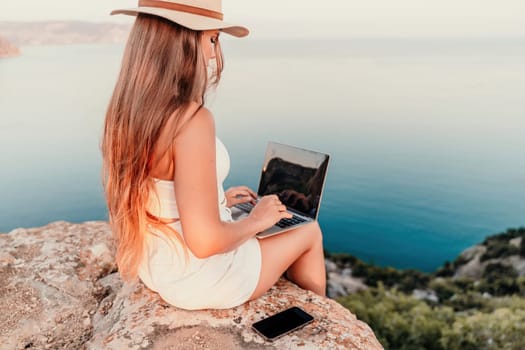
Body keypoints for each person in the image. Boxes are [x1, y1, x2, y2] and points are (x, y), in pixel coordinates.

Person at [102, 0, 326, 310]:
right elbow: (205, 241)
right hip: (201, 278)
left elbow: (162, 191)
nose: (212, 53)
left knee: (258, 218)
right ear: (184, 41)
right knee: (309, 230)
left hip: (159, 266)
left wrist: (218, 201)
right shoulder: (192, 120)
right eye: (212, 39)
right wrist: (256, 221)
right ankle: (319, 317)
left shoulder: (127, 112)